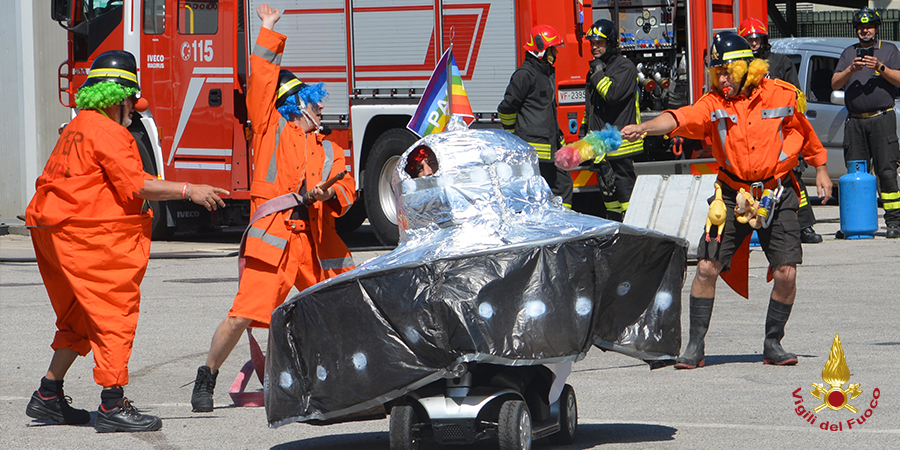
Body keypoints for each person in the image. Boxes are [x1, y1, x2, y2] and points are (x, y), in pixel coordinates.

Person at [24, 50, 229, 432]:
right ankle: (112, 404)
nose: (134, 109)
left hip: (50, 230)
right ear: (118, 98)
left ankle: (48, 395)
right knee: (113, 314)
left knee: (80, 315)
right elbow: (137, 184)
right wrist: (190, 189)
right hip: (86, 234)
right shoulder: (110, 132)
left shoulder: (78, 125)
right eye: (131, 101)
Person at [621, 31, 832, 369]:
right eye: (716, 72)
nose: (721, 79)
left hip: (777, 193)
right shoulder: (714, 102)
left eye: (726, 71)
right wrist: (645, 127)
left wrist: (821, 170)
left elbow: (803, 132)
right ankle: (695, 346)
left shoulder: (781, 94)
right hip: (731, 194)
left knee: (786, 272)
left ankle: (773, 343)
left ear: (747, 68)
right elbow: (681, 117)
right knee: (706, 267)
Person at [191, 3, 357, 412]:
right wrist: (267, 29)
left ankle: (354, 381)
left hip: (316, 246)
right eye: (315, 103)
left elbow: (348, 187)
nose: (321, 109)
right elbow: (262, 83)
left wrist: (330, 195)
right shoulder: (268, 130)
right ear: (298, 105)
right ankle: (206, 377)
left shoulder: (331, 148)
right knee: (243, 314)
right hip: (275, 243)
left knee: (345, 310)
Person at [739, 17, 823, 244]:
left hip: (779, 129)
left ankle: (804, 226)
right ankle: (749, 231)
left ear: (765, 39)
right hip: (751, 131)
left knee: (793, 176)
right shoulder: (739, 66)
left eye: (757, 39)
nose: (754, 43)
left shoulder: (780, 61)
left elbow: (794, 95)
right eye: (749, 39)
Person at [832, 7, 900, 239]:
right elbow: (834, 83)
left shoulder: (889, 50)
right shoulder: (848, 53)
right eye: (861, 27)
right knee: (855, 171)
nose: (865, 30)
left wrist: (880, 68)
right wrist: (852, 69)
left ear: (877, 28)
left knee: (887, 171)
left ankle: (894, 222)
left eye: (869, 26)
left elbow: (899, 79)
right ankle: (857, 222)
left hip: (882, 119)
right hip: (856, 123)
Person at [498, 25, 573, 208]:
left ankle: (560, 224)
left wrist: (558, 136)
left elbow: (547, 111)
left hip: (549, 145)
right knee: (540, 191)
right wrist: (512, 134)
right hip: (534, 149)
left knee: (563, 186)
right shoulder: (524, 75)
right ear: (540, 50)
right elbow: (506, 109)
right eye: (552, 48)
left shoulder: (544, 73)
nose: (555, 52)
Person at [581, 19, 643, 222]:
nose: (594, 47)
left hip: (621, 144)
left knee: (627, 199)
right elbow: (592, 106)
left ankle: (634, 235)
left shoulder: (624, 67)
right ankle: (616, 237)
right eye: (592, 42)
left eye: (599, 42)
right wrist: (585, 130)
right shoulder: (599, 67)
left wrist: (598, 74)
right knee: (610, 200)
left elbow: (612, 94)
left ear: (611, 43)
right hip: (601, 147)